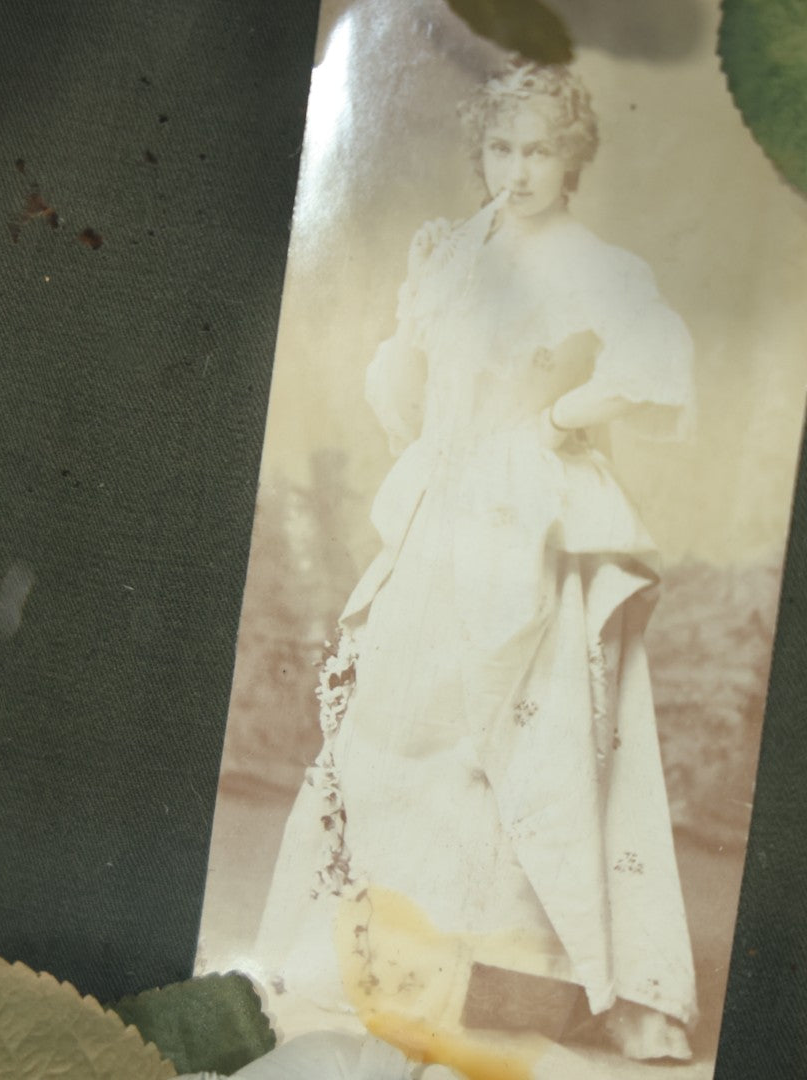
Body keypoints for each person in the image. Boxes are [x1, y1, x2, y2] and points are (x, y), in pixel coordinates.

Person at [254, 58, 698, 1063]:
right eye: (501, 148)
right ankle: (383, 957)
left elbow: (650, 364)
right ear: (480, 152)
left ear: (570, 158)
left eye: (539, 151)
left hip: (521, 512)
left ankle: (496, 976)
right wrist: (423, 419)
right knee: (395, 727)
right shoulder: (450, 249)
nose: (517, 169)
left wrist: (553, 420)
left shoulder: (590, 264)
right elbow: (402, 372)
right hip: (440, 510)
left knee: (506, 736)